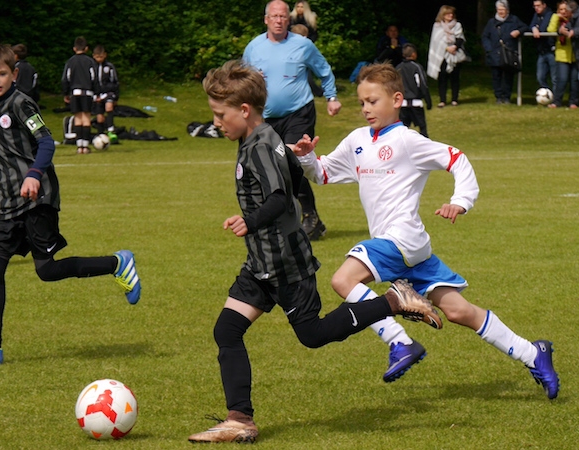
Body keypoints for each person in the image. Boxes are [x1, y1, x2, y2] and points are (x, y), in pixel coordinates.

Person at [187, 59, 441, 444]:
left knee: (313, 334)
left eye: (221, 115)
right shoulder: (262, 139)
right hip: (261, 262)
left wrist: (249, 221)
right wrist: (292, 156)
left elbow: (279, 197)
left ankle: (394, 300)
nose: (216, 122)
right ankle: (240, 420)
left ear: (245, 110)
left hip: (285, 262)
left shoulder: (261, 145)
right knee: (227, 329)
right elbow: (290, 175)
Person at [293, 62, 560, 400]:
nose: (365, 109)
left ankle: (400, 342)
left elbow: (456, 159)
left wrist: (460, 201)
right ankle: (533, 353)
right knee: (458, 311)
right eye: (361, 102)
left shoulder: (408, 141)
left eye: (373, 101)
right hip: (408, 250)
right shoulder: (357, 140)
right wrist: (307, 158)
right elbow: (323, 173)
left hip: (400, 239)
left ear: (397, 100)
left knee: (343, 280)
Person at [0, 41, 141, 365]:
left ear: (14, 74)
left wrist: (34, 175)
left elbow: (46, 143)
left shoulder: (21, 103)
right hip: (9, 200)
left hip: (39, 197)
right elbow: (6, 154)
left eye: (2, 73)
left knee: (47, 270)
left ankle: (117, 263)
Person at [243, 0, 342, 241]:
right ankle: (280, 218)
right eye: (274, 16)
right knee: (271, 166)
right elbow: (242, 80)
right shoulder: (253, 48)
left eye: (282, 16)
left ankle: (310, 216)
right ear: (266, 19)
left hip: (299, 112)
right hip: (266, 117)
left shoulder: (303, 45)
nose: (278, 20)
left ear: (289, 20)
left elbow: (323, 70)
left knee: (289, 162)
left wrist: (331, 97)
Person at [482, 0, 529, 104]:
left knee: (508, 77)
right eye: (499, 9)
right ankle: (498, 97)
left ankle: (507, 97)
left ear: (507, 10)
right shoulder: (491, 22)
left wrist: (518, 31)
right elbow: (485, 37)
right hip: (495, 53)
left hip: (509, 53)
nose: (501, 12)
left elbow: (525, 27)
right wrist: (489, 49)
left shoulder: (514, 20)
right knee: (496, 76)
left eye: (503, 9)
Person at [62, 36, 99, 154]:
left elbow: (65, 79)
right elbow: (94, 78)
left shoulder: (70, 62)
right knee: (86, 118)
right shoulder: (90, 62)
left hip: (75, 93)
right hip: (87, 93)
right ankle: (86, 146)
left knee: (77, 118)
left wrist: (65, 93)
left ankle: (79, 147)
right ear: (86, 48)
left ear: (74, 48)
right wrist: (97, 92)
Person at [427, 5, 467, 107]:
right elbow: (435, 41)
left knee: (455, 78)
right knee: (442, 78)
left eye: (452, 13)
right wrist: (446, 48)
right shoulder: (437, 26)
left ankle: (454, 99)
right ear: (443, 15)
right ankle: (442, 100)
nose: (451, 15)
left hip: (455, 54)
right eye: (448, 14)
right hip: (442, 55)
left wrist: (454, 47)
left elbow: (460, 38)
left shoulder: (457, 25)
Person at [395, 43, 432, 137]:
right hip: (416, 103)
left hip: (402, 104)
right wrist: (428, 101)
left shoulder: (398, 68)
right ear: (414, 54)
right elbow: (423, 85)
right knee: (422, 128)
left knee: (402, 129)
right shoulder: (417, 67)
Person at [548, 0, 579, 108]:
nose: (563, 12)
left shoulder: (574, 19)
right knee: (562, 79)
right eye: (560, 9)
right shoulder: (557, 20)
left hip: (575, 55)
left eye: (565, 9)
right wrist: (555, 17)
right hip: (562, 55)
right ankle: (557, 101)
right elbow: (550, 30)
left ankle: (573, 102)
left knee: (574, 80)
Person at [289, 1, 323, 97]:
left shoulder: (310, 19)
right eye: (298, 7)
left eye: (302, 7)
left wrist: (307, 43)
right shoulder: (291, 19)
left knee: (306, 70)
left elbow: (314, 34)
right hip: (292, 47)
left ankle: (317, 91)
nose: (300, 9)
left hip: (305, 47)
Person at [91, 45, 119, 142]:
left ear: (105, 55)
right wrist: (95, 95)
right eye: (97, 57)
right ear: (93, 56)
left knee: (109, 107)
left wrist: (116, 97)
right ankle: (101, 135)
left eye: (101, 57)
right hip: (97, 95)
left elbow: (115, 82)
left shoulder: (109, 67)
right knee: (100, 117)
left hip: (108, 93)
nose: (99, 59)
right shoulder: (91, 67)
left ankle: (111, 131)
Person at [531, 0, 557, 91]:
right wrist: (534, 28)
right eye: (535, 6)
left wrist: (537, 27)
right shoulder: (536, 15)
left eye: (538, 5)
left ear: (544, 5)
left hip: (551, 50)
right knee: (540, 77)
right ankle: (546, 93)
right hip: (541, 51)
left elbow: (543, 28)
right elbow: (531, 26)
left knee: (554, 78)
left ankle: (556, 97)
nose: (536, 8)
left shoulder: (550, 14)